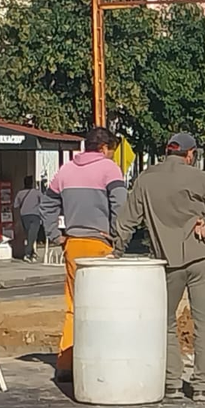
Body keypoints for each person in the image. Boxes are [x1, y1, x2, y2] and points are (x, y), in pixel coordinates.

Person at [112, 132, 205, 403]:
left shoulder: (145, 180)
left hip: (166, 262)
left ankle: (172, 382)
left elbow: (126, 222)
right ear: (190, 154)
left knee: (165, 321)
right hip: (201, 258)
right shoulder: (198, 177)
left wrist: (116, 252)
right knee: (204, 323)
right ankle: (202, 385)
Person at [40, 127, 128, 382]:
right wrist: (119, 236)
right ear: (103, 148)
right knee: (105, 305)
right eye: (111, 150)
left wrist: (56, 236)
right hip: (101, 243)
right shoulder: (109, 168)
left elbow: (47, 203)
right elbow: (120, 204)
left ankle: (66, 364)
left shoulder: (65, 170)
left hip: (74, 243)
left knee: (74, 306)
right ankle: (103, 359)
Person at [14, 175, 43, 262]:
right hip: (35, 216)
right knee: (32, 235)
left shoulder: (20, 193)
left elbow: (16, 205)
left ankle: (32, 253)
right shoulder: (37, 192)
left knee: (30, 235)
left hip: (24, 216)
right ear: (32, 183)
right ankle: (27, 254)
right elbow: (44, 202)